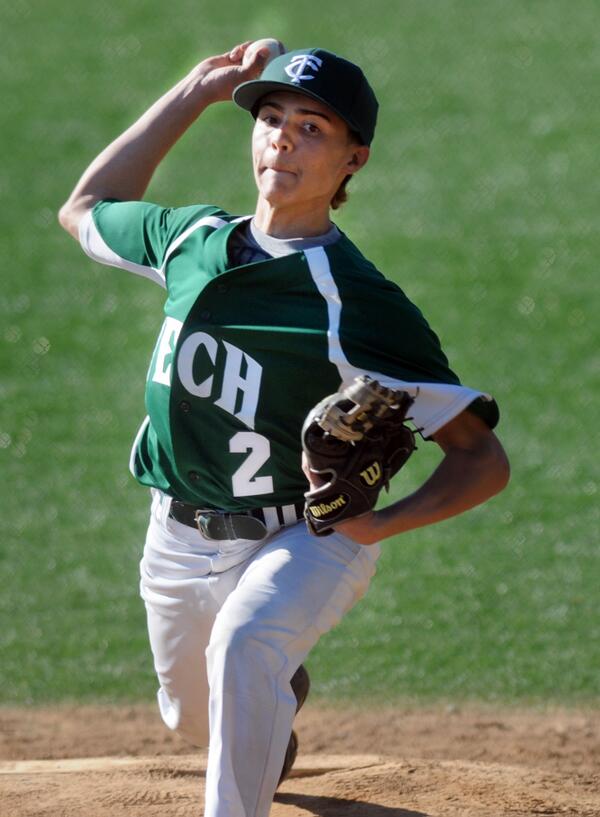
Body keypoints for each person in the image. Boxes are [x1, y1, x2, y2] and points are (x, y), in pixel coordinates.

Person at [58, 42, 510, 817]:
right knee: (195, 716)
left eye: (312, 128)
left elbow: (482, 459)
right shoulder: (190, 240)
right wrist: (194, 92)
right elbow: (85, 207)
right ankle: (275, 695)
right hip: (176, 533)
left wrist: (377, 526)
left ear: (352, 160)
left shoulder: (357, 303)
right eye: (271, 119)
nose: (283, 139)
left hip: (304, 535)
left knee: (244, 645)